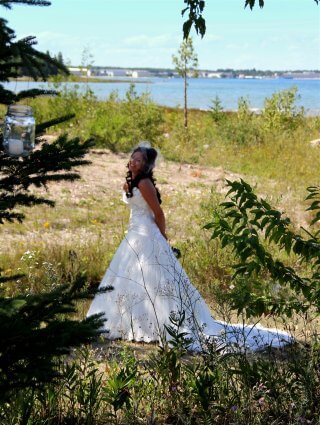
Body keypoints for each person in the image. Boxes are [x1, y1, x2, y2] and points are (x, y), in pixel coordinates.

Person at [87, 145, 293, 352]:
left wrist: (162, 238)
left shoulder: (144, 183)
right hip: (133, 234)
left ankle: (158, 325)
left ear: (146, 165)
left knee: (155, 279)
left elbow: (158, 213)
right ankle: (129, 322)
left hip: (147, 234)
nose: (134, 161)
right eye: (133, 158)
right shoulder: (132, 182)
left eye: (139, 160)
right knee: (130, 279)